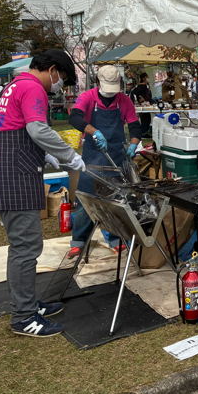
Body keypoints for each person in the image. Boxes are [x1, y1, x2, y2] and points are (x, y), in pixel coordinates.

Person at [0, 49, 86, 337]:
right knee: (26, 248)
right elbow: (38, 130)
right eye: (61, 78)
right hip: (13, 176)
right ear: (52, 69)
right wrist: (68, 155)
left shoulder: (13, 85)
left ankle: (28, 303)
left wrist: (43, 156)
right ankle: (23, 317)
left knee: (24, 246)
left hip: (9, 171)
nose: (58, 84)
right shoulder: (32, 87)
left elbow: (12, 130)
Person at [67, 65, 143, 257]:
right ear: (98, 82)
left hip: (116, 158)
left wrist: (134, 144)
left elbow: (135, 127)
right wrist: (94, 132)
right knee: (85, 200)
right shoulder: (87, 97)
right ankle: (79, 241)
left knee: (116, 201)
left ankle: (117, 238)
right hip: (92, 158)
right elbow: (75, 118)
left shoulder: (124, 100)